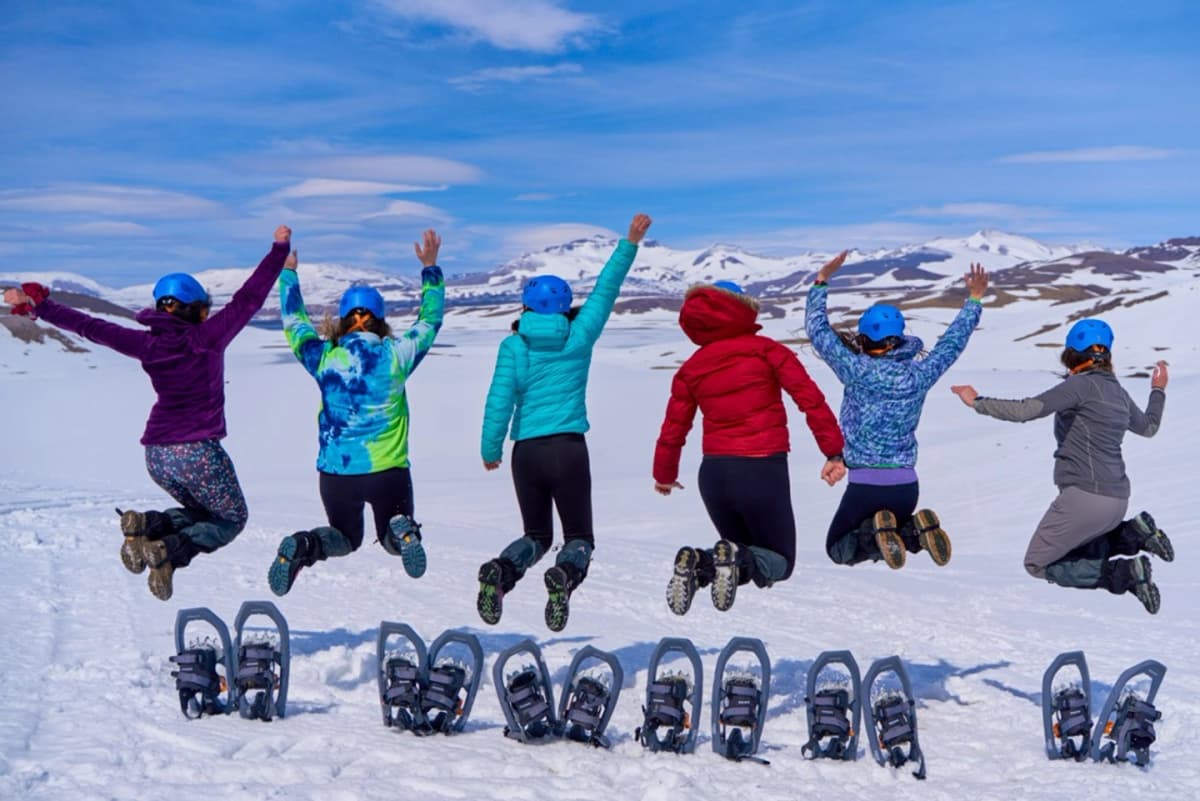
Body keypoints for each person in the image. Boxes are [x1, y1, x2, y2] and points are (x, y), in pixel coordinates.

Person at [3, 226, 293, 600]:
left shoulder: (147, 343)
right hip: (197, 452)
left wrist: (41, 306)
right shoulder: (207, 337)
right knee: (229, 519)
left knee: (202, 514)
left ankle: (145, 525)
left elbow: (92, 328)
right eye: (205, 310)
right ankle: (167, 552)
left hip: (157, 456)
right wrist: (278, 249)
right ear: (196, 311)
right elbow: (249, 298)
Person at [478, 213, 652, 632]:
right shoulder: (579, 336)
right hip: (570, 450)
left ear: (526, 306)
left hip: (528, 453)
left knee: (536, 536)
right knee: (578, 539)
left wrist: (490, 449)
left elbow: (498, 401)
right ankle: (565, 577)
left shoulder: (513, 345)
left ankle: (502, 572)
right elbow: (605, 292)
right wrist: (629, 242)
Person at [267, 231, 446, 596]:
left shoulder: (325, 359)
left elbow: (295, 325)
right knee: (390, 534)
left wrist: (288, 274)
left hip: (336, 474)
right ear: (379, 319)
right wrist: (430, 270)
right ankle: (403, 530)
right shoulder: (397, 355)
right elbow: (430, 322)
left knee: (344, 537)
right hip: (388, 471)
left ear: (344, 320)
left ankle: (304, 546)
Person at [653, 279, 846, 615]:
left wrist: (664, 474)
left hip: (713, 475)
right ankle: (720, 559)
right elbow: (810, 401)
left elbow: (673, 429)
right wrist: (833, 452)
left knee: (741, 558)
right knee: (778, 562)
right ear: (742, 309)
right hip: (761, 469)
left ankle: (700, 562)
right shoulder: (768, 351)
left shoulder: (690, 370)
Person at [950, 320, 1171, 613]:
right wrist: (1158, 390)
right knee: (1071, 552)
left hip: (1085, 497)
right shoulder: (1116, 391)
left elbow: (1026, 410)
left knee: (1038, 562)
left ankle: (1127, 574)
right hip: (1116, 501)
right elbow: (1149, 427)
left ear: (1071, 354)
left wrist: (977, 401)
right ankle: (1133, 534)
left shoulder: (1080, 385)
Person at [806, 252, 988, 569]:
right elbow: (951, 345)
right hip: (906, 486)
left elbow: (818, 332)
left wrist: (822, 280)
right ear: (900, 339)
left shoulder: (855, 368)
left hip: (865, 483)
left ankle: (878, 533)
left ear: (863, 337)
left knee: (838, 549)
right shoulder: (919, 375)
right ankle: (915, 532)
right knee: (893, 535)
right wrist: (974, 300)